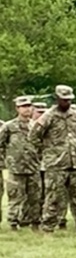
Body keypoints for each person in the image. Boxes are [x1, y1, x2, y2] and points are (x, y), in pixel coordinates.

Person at [29, 85, 76, 233]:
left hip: (75, 164)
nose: (67, 103)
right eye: (64, 100)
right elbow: (33, 136)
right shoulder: (48, 116)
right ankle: (48, 228)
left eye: (69, 100)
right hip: (56, 165)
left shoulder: (75, 116)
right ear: (57, 99)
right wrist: (47, 151)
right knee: (53, 198)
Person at [0, 96, 42, 230]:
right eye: (24, 106)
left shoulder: (36, 126)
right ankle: (13, 222)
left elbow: (42, 144)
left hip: (33, 167)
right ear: (17, 108)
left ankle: (34, 222)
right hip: (16, 168)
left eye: (29, 106)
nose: (27, 109)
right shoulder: (9, 126)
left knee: (35, 197)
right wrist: (5, 160)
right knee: (15, 197)